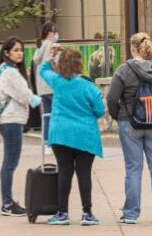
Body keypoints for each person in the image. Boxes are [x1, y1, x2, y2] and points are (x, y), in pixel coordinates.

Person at [107, 32, 152, 225]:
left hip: (129, 123)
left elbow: (112, 99)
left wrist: (119, 116)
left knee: (133, 169)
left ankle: (131, 214)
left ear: (131, 48)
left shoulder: (123, 70)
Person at [41, 45, 105, 226]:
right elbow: (100, 111)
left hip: (61, 135)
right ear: (79, 65)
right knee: (84, 174)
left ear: (61, 65)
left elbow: (43, 69)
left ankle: (62, 213)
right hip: (86, 135)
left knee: (65, 172)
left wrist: (52, 55)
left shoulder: (57, 82)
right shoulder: (89, 87)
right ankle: (87, 213)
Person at [0, 37, 40, 216]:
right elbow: (23, 94)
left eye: (21, 50)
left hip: (8, 120)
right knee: (10, 163)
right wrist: (35, 99)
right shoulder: (10, 72)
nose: (19, 53)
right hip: (11, 119)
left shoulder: (3, 70)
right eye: (15, 50)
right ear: (6, 53)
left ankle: (8, 201)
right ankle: (7, 203)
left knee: (9, 162)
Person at [33, 22, 58, 145]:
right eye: (55, 31)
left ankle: (46, 140)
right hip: (52, 85)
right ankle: (54, 139)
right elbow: (55, 63)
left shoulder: (39, 46)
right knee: (56, 114)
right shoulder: (51, 46)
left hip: (42, 87)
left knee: (46, 114)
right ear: (50, 33)